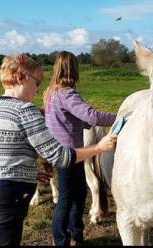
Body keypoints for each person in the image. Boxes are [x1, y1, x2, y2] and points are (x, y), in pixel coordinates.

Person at [0, 54, 118, 246]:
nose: (38, 89)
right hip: (10, 196)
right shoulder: (25, 110)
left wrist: (26, 173)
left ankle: (70, 236)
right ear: (21, 78)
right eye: (36, 82)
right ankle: (63, 239)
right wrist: (99, 147)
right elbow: (60, 156)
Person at [43, 51, 116, 246]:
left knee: (78, 194)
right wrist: (119, 117)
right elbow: (92, 116)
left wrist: (81, 123)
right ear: (73, 69)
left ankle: (75, 235)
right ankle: (62, 240)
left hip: (61, 152)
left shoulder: (51, 93)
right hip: (70, 153)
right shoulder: (67, 93)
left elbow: (64, 119)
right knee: (68, 198)